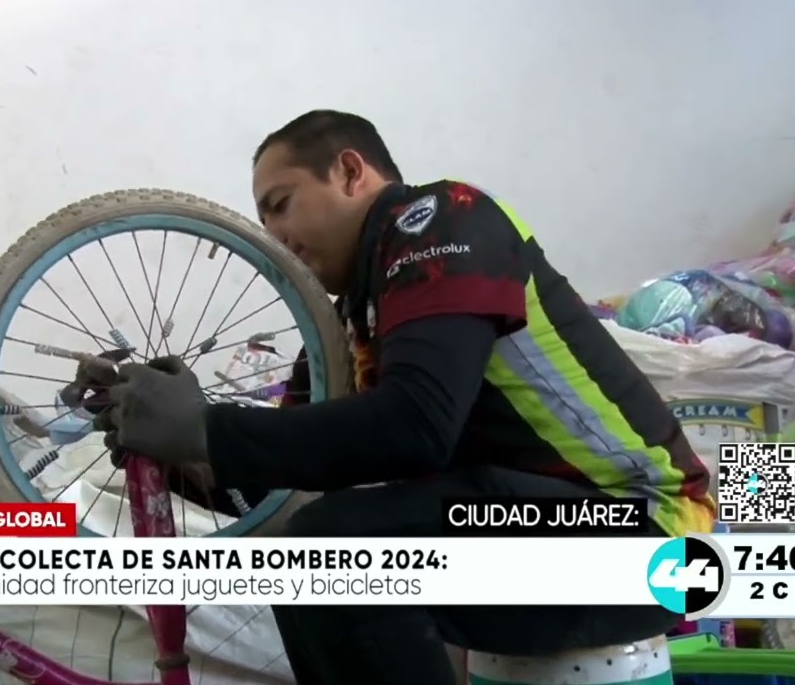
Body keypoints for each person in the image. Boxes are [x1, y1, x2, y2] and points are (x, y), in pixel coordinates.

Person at [64, 110, 715, 684]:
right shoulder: (352, 318)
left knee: (328, 548)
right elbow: (275, 481)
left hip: (648, 529)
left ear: (351, 172)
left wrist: (206, 427)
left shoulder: (443, 220)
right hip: (550, 526)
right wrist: (163, 436)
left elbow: (415, 426)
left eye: (282, 203)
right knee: (306, 550)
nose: (274, 232)